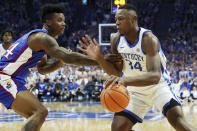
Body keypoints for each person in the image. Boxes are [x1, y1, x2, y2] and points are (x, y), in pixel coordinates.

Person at [79, 4, 197, 131]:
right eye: (116, 19)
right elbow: (118, 73)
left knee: (176, 119)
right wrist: (99, 58)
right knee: (118, 128)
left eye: (121, 19)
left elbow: (155, 76)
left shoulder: (148, 39)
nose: (117, 23)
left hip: (158, 87)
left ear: (133, 19)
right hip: (135, 90)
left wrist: (125, 81)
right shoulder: (116, 40)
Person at [0, 4, 99, 131]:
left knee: (36, 116)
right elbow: (70, 56)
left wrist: (60, 62)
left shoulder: (40, 42)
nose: (64, 24)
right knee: (39, 113)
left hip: (13, 79)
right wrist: (100, 61)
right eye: (59, 20)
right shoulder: (42, 38)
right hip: (4, 77)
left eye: (64, 20)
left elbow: (42, 69)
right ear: (48, 22)